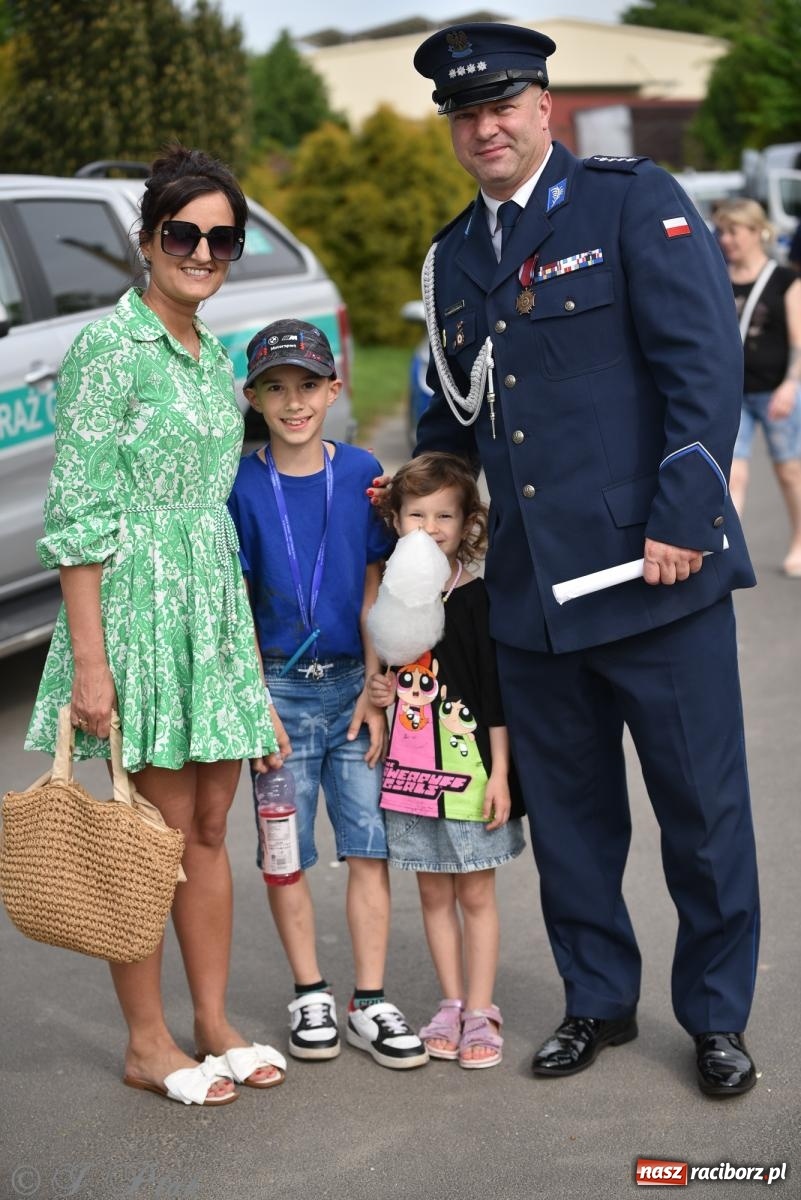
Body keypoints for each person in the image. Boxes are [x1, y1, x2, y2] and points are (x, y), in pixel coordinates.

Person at [403, 22, 761, 1095]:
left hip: (657, 578)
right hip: (535, 603)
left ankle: (714, 1016)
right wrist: (408, 502)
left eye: (501, 106)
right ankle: (598, 1001)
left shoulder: (627, 199)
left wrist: (681, 520)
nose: (485, 128)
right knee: (570, 825)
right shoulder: (453, 260)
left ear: (542, 106)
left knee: (702, 815)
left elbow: (705, 368)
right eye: (465, 115)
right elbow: (456, 426)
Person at [24, 145, 290, 1107]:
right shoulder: (109, 348)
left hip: (207, 609)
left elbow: (218, 500)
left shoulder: (208, 350)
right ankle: (147, 1040)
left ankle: (213, 1022)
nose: (203, 251)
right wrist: (91, 665)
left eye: (223, 237)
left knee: (211, 826)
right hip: (134, 611)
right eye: (184, 233)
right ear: (147, 240)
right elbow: (79, 517)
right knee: (153, 834)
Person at [227, 319, 429, 1070]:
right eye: (275, 388)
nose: (293, 402)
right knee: (284, 853)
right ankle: (308, 989)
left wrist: (378, 686)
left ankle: (369, 1001)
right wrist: (255, 702)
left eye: (307, 385)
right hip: (276, 691)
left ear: (334, 388)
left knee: (367, 849)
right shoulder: (242, 484)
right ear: (252, 398)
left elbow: (378, 580)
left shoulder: (363, 473)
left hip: (353, 694)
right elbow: (238, 599)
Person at [368, 453, 526, 1069]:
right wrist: (380, 692)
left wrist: (503, 777)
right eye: (416, 514)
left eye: (444, 516)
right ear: (396, 520)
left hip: (471, 776)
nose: (430, 527)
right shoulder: (392, 590)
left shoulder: (476, 599)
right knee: (433, 894)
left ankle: (483, 1010)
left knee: (476, 895)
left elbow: (494, 699)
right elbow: (389, 678)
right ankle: (451, 1002)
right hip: (410, 775)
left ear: (467, 526)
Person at [714, 199, 801, 577]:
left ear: (756, 232)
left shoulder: (784, 279)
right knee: (732, 471)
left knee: (789, 470)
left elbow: (799, 341)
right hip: (732, 393)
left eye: (734, 231)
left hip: (775, 389)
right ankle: (730, 547)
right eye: (722, 231)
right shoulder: (716, 275)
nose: (726, 239)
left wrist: (790, 384)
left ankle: (799, 540)